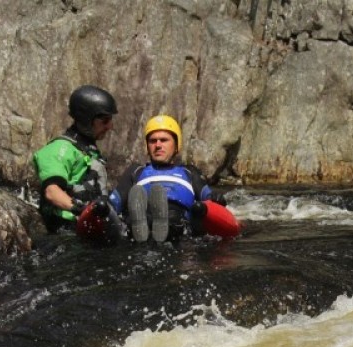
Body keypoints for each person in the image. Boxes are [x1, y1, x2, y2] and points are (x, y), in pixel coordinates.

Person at [109, 114, 226, 243]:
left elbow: (207, 195)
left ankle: (158, 227)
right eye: (153, 141)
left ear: (176, 145)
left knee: (181, 216)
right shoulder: (136, 171)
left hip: (178, 218)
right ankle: (140, 226)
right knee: (135, 217)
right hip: (144, 213)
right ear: (147, 146)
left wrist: (215, 198)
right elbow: (115, 202)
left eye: (164, 140)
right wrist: (103, 206)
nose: (158, 145)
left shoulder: (189, 172)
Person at [32, 85, 122, 236]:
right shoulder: (60, 149)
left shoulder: (88, 150)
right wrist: (82, 210)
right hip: (64, 232)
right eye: (105, 121)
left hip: (90, 229)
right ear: (87, 120)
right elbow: (51, 192)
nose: (110, 126)